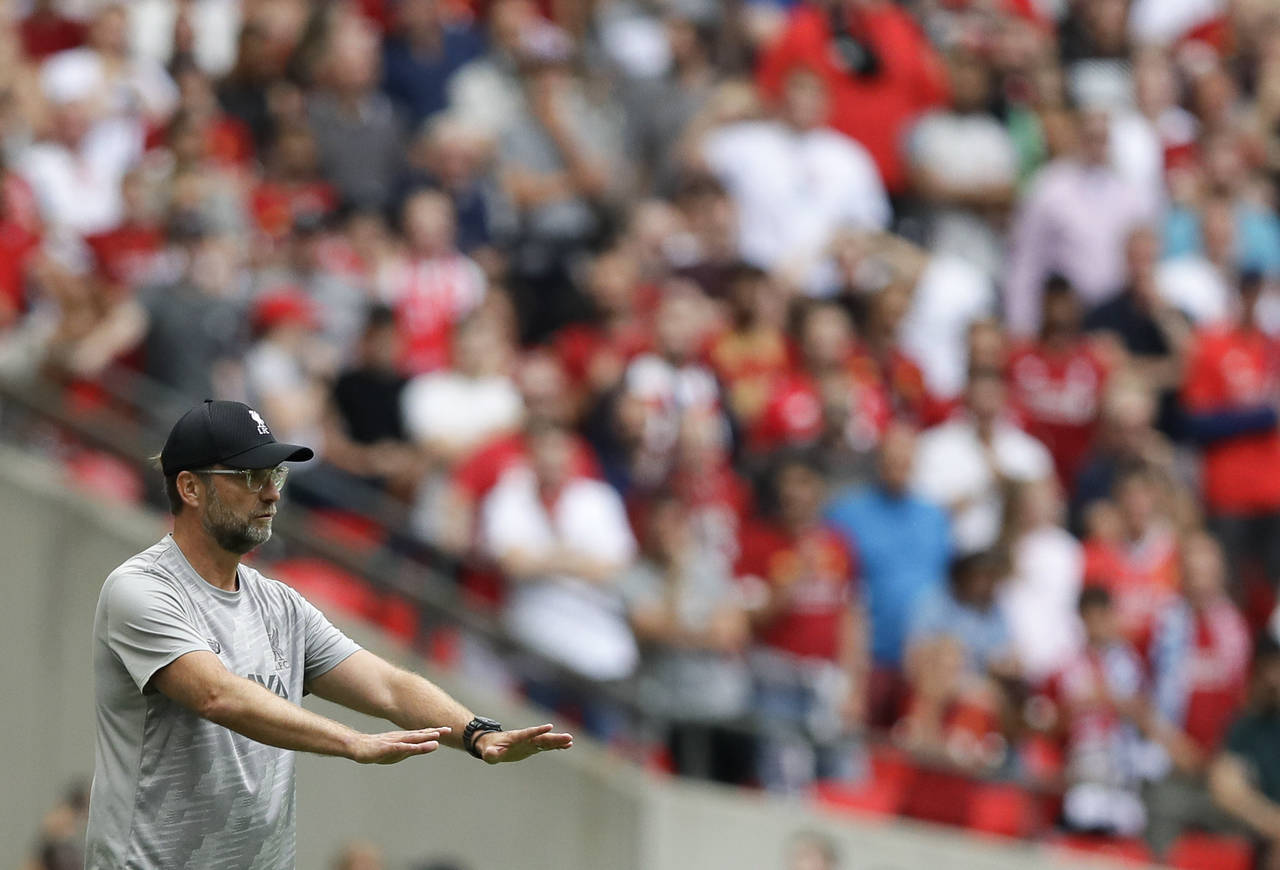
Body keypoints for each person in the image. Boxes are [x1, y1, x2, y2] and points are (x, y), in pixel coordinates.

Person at [85, 400, 572, 868]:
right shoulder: (140, 590)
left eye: (275, 475)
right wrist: (350, 741)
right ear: (189, 488)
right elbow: (217, 695)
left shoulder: (279, 604)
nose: (273, 493)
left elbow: (387, 685)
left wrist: (477, 733)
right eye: (251, 477)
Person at [1209, 635, 1280, 869]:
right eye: (1267, 667)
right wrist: (1273, 823)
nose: (1273, 678)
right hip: (1265, 838)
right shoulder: (1246, 727)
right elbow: (1226, 788)